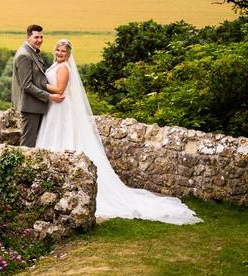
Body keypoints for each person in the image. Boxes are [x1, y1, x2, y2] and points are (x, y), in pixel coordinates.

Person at [36, 39, 202, 225]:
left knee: (64, 138)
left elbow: (59, 89)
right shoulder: (55, 65)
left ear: (68, 54)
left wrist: (40, 84)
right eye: (58, 50)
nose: (59, 53)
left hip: (61, 109)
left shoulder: (64, 68)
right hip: (54, 108)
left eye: (63, 51)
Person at [11, 24, 64, 147]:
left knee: (37, 142)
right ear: (28, 37)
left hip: (36, 106)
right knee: (28, 144)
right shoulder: (24, 55)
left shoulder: (32, 52)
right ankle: (22, 166)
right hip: (30, 107)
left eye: (41, 37)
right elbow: (26, 85)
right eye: (36, 37)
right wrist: (50, 97)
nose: (39, 40)